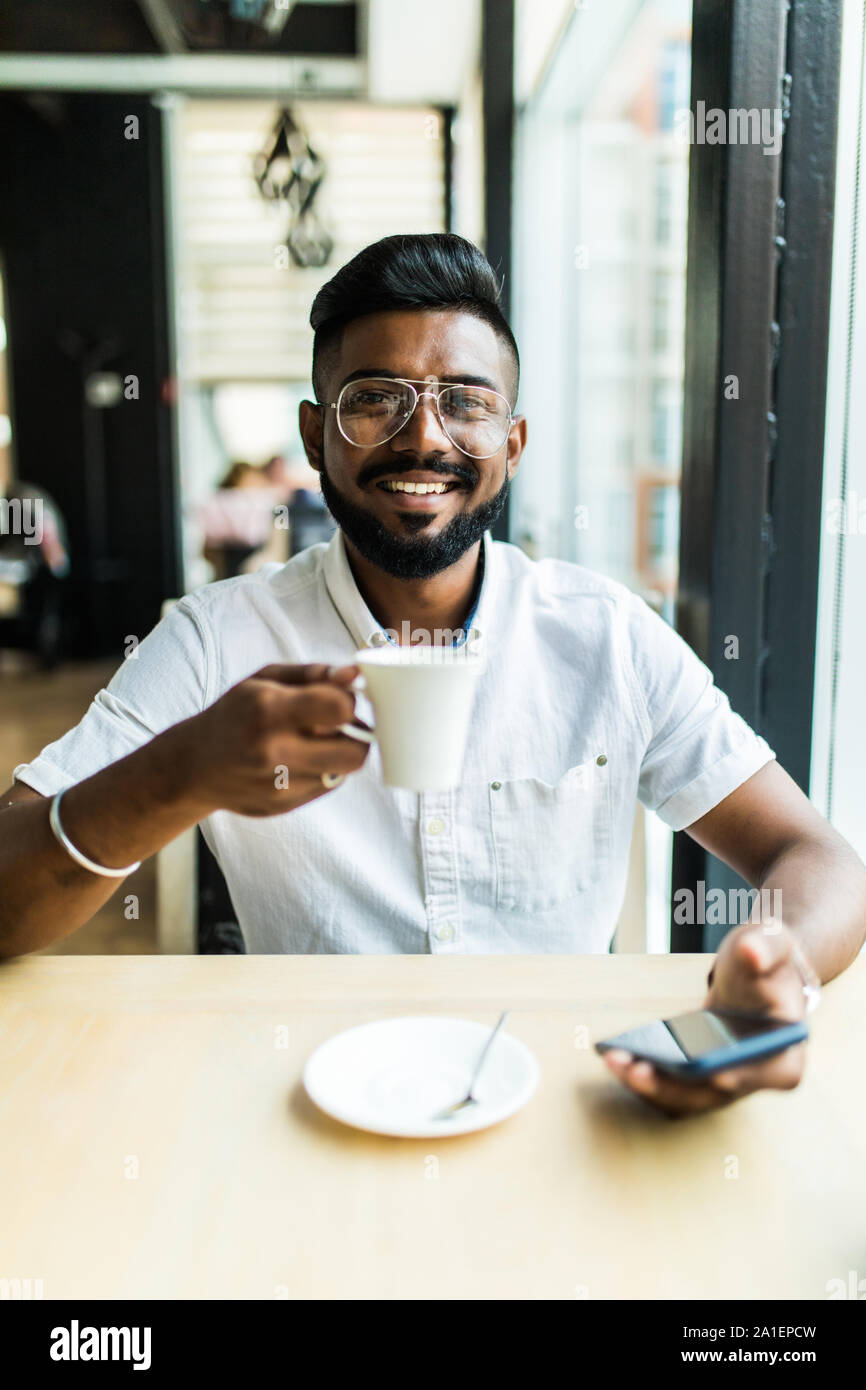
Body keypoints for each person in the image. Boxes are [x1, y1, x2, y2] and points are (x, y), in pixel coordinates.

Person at [1, 233, 864, 1119]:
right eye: (375, 399)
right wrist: (176, 771)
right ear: (313, 433)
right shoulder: (216, 641)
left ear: (514, 441)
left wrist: (777, 973)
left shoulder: (607, 639)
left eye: (467, 403)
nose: (424, 439)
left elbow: (819, 857)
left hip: (565, 1108)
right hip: (305, 1108)